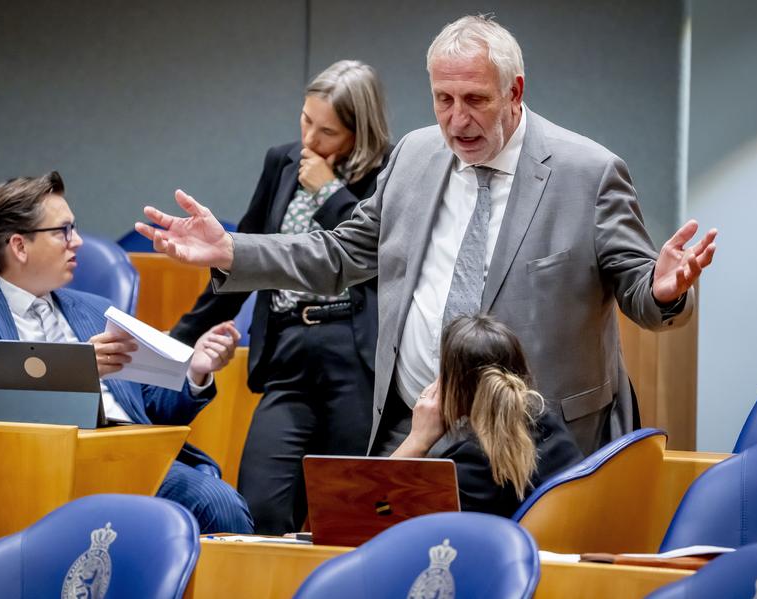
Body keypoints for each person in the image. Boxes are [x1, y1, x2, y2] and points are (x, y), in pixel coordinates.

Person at [136, 15, 718, 457]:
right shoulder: (416, 155)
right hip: (416, 423)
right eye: (444, 99)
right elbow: (341, 252)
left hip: (536, 437)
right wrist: (231, 249)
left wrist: (663, 291)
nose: (457, 120)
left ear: (515, 92)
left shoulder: (587, 173)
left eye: (476, 100)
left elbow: (641, 291)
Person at [0, 171, 253, 534]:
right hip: (32, 462)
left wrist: (195, 371)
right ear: (19, 246)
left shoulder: (96, 309)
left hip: (129, 455)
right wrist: (73, 370)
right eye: (63, 231)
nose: (77, 241)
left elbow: (153, 410)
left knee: (219, 504)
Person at [168, 60, 391, 535]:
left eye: (327, 132)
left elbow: (376, 254)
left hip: (354, 355)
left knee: (348, 512)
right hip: (289, 348)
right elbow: (243, 257)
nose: (310, 139)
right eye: (306, 120)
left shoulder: (389, 171)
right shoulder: (283, 161)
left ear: (360, 132)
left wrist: (329, 192)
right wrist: (177, 340)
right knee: (260, 506)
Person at [392, 314, 582, 516]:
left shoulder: (472, 466)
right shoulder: (548, 423)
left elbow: (379, 506)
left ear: (452, 386)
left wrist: (417, 440)